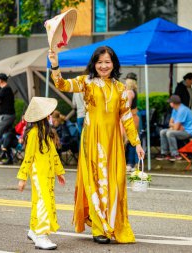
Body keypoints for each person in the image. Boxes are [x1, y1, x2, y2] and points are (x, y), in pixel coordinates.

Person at [49, 45, 145, 244]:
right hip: (92, 140)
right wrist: (55, 64)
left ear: (114, 64)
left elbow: (126, 117)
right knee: (95, 181)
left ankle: (113, 224)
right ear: (94, 63)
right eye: (99, 62)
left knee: (116, 182)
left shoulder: (120, 89)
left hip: (113, 142)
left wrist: (136, 143)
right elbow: (62, 85)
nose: (103, 66)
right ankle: (100, 228)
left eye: (107, 62)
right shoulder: (86, 82)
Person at [17, 97, 66, 250]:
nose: (50, 116)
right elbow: (28, 157)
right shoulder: (33, 134)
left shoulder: (46, 132)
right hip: (39, 174)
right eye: (48, 114)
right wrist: (23, 177)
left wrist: (59, 172)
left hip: (48, 174)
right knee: (44, 203)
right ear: (43, 117)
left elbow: (54, 154)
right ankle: (41, 236)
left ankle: (33, 230)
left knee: (38, 202)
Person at [155, 95, 192, 161]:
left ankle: (175, 154)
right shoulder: (175, 109)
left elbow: (176, 127)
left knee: (170, 133)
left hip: (189, 132)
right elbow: (170, 123)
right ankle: (164, 153)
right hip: (181, 130)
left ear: (172, 103)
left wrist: (174, 126)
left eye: (170, 102)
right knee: (162, 132)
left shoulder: (182, 110)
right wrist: (174, 126)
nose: (169, 104)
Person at [0, 73, 15, 163]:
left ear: (0, 80)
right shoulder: (8, 89)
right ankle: (9, 157)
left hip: (5, 116)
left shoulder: (5, 89)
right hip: (10, 115)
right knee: (6, 135)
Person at [124, 72, 140, 172]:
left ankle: (130, 163)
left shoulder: (129, 92)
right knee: (132, 140)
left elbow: (126, 107)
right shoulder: (134, 91)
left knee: (129, 140)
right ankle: (132, 163)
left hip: (130, 118)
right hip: (134, 117)